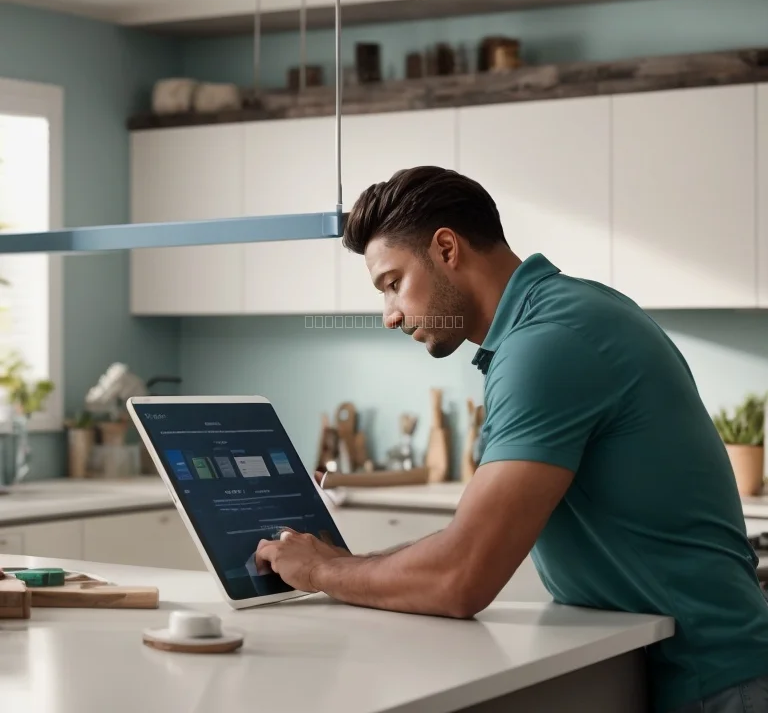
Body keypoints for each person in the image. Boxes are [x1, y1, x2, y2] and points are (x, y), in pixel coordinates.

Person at [255, 166, 768, 713]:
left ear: (446, 248)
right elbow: (469, 540)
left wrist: (320, 570)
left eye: (392, 283)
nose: (390, 315)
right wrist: (349, 563)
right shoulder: (569, 313)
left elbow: (461, 577)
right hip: (701, 670)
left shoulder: (548, 344)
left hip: (720, 683)